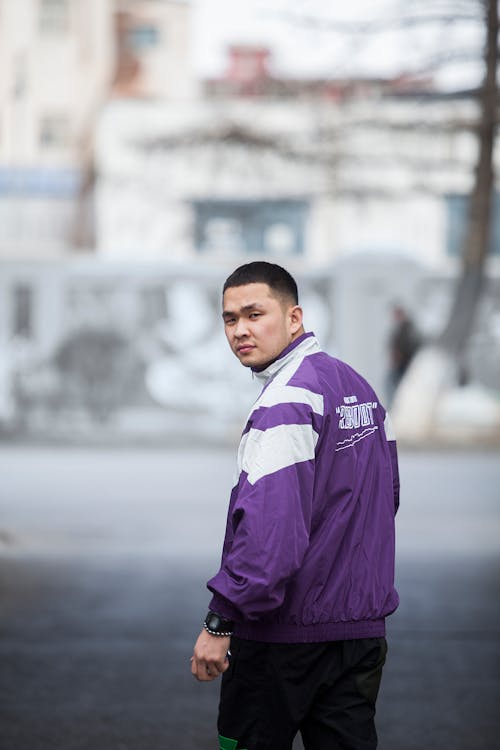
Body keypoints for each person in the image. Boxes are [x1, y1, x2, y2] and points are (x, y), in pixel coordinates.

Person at [191, 261, 400, 750]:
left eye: (254, 313)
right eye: (229, 318)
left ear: (294, 318)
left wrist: (220, 620)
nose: (240, 329)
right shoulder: (361, 391)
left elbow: (269, 539)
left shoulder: (285, 403)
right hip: (358, 634)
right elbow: (385, 500)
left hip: (282, 639)